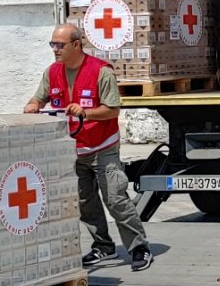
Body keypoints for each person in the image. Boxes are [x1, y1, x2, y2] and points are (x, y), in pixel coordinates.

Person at [23, 24, 152, 271]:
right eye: (52, 44)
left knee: (115, 198)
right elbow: (39, 97)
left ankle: (138, 247)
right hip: (74, 150)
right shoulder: (52, 73)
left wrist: (87, 112)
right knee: (84, 202)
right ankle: (103, 246)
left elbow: (113, 109)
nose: (55, 50)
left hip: (103, 147)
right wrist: (32, 105)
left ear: (76, 44)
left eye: (59, 45)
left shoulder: (100, 72)